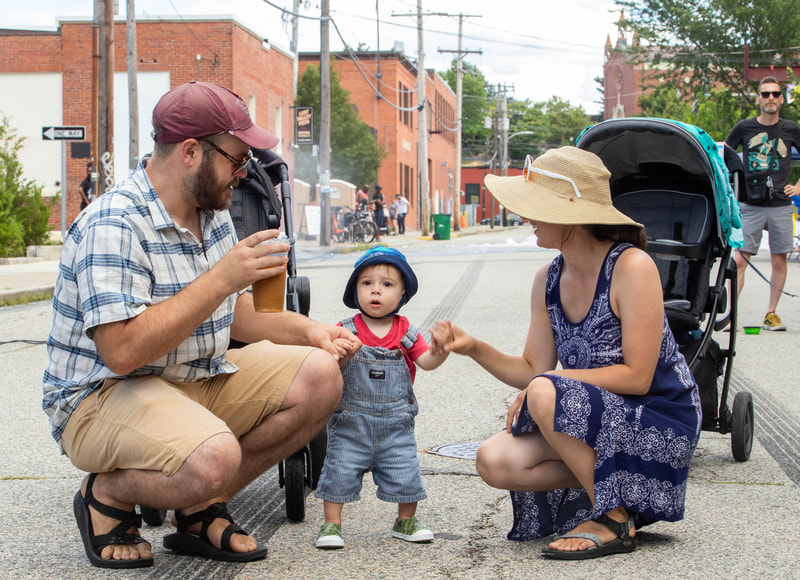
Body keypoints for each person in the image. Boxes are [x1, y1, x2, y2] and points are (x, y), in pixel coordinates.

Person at [42, 81, 360, 569]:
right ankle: (104, 494)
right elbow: (122, 352)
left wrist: (313, 332)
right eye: (237, 158)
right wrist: (219, 279)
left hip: (190, 377)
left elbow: (232, 312)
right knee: (215, 459)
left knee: (321, 376)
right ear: (191, 151)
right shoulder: (115, 223)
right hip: (103, 395)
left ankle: (196, 509)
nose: (244, 172)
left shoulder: (210, 214)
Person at [430, 147, 702, 560]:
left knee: (543, 391)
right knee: (494, 460)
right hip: (598, 418)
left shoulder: (631, 267)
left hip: (659, 416)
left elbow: (639, 377)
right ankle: (631, 492)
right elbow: (532, 368)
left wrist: (551, 382)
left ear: (570, 212)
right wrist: (473, 348)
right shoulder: (549, 278)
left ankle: (615, 518)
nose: (526, 217)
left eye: (535, 207)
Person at [314, 247, 448, 549]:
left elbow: (425, 362)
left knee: (406, 470)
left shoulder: (406, 331)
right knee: (339, 470)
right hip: (351, 423)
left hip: (395, 425)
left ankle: (405, 520)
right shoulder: (344, 330)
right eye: (366, 283)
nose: (376, 289)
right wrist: (339, 357)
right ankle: (331, 525)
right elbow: (327, 367)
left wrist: (440, 352)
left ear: (402, 294)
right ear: (355, 290)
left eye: (387, 284)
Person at [726, 75, 800, 331]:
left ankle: (771, 314)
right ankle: (730, 315)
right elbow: (724, 153)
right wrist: (734, 185)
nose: (770, 98)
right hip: (751, 204)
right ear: (758, 99)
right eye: (766, 94)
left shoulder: (790, 129)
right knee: (739, 260)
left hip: (780, 204)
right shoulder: (745, 127)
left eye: (775, 94)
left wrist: (798, 186)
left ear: (781, 99)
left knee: (780, 260)